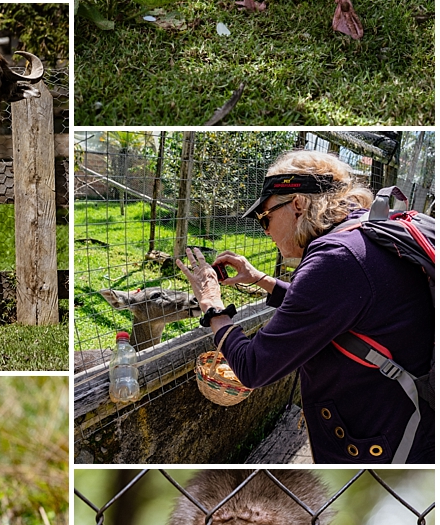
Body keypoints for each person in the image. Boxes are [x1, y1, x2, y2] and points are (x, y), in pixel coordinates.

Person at [178, 149, 433, 464]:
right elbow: (333, 311)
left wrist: (212, 305)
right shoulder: (360, 234)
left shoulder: (335, 259)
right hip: (401, 418)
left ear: (297, 204)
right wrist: (260, 279)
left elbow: (253, 368)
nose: (265, 229)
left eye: (265, 216)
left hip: (387, 445)